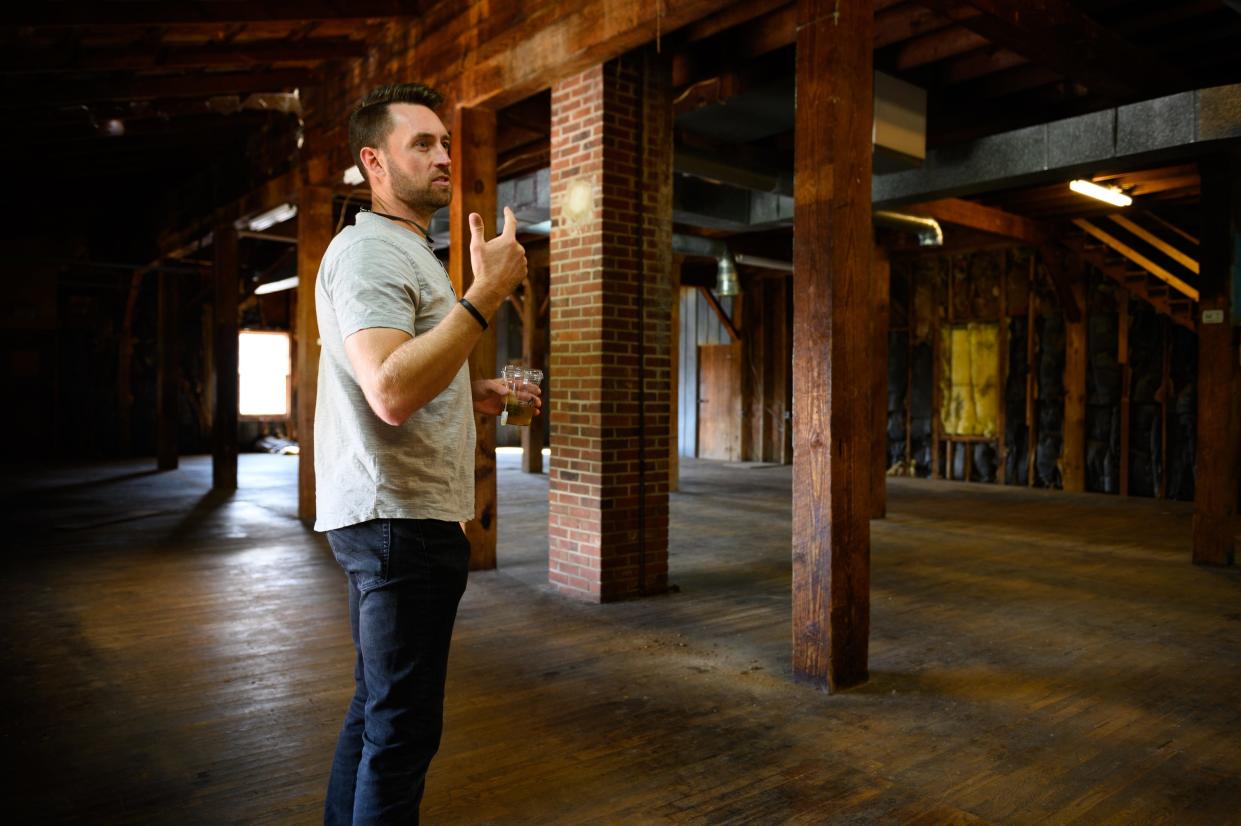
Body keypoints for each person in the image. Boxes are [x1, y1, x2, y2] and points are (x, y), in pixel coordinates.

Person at [313, 82, 534, 825]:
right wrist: (486, 295)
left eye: (445, 142)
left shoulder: (401, 249)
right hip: (397, 521)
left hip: (394, 516)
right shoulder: (373, 251)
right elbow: (388, 390)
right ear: (374, 161)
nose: (443, 156)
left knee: (378, 709)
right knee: (403, 729)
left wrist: (473, 394)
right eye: (423, 144)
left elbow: (405, 374)